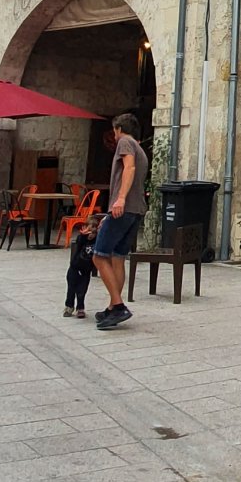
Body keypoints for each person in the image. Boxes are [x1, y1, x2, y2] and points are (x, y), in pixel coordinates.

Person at [92, 112, 149, 329]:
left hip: (123, 208)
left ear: (118, 129)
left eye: (114, 131)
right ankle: (112, 307)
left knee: (99, 256)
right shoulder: (140, 147)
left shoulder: (125, 142)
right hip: (136, 210)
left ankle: (118, 305)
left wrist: (120, 199)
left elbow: (129, 168)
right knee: (117, 257)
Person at [63, 229, 94, 319]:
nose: (91, 235)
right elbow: (79, 241)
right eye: (90, 231)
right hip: (74, 268)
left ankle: (80, 308)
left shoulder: (97, 242)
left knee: (82, 290)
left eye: (94, 232)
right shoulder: (82, 239)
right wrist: (83, 235)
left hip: (86, 270)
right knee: (71, 289)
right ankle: (69, 306)